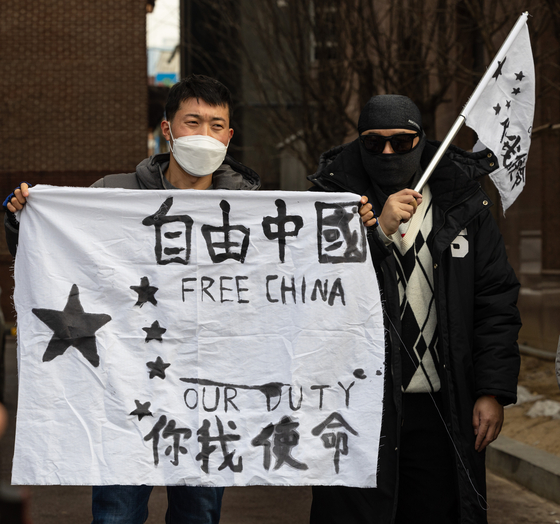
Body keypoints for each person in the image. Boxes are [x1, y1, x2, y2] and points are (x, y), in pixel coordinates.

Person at [4, 74, 261, 524]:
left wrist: (359, 225)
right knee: (116, 513)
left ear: (229, 135)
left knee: (198, 514)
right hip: (125, 387)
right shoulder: (112, 195)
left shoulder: (254, 209)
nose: (205, 135)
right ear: (167, 130)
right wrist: (22, 219)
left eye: (216, 125)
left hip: (209, 388)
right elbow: (55, 254)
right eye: (192, 122)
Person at [308, 95, 521, 524]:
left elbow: (494, 298)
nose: (387, 153)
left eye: (401, 143)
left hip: (442, 405)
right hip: (357, 407)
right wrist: (376, 235)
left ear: (422, 142)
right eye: (374, 144)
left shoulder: (464, 205)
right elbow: (314, 292)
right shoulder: (330, 201)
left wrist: (491, 390)